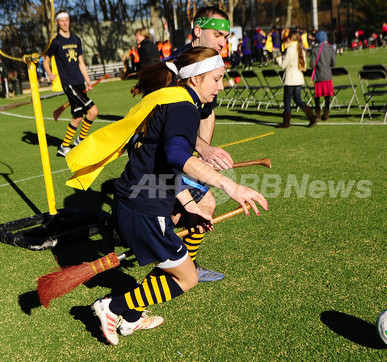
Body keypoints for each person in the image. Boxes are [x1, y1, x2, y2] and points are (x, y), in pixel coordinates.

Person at [87, 47, 268, 346]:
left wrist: (190, 206)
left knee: (176, 263)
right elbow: (178, 156)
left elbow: (165, 164)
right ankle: (112, 306)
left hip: (132, 202)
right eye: (217, 79)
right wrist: (232, 187)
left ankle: (130, 319)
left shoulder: (167, 99)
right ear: (195, 79)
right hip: (144, 209)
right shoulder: (184, 108)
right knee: (188, 278)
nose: (221, 86)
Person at [163, 6, 233, 282]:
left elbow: (206, 113)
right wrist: (202, 150)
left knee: (198, 207)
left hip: (183, 155)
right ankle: (181, 268)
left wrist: (203, 154)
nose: (222, 42)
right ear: (198, 31)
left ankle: (184, 265)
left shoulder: (211, 63)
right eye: (218, 35)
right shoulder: (175, 68)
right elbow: (170, 126)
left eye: (226, 37)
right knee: (200, 205)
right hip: (163, 158)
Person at [43, 11, 98, 157]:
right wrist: (50, 73)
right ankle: (80, 141)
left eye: (67, 20)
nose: (65, 23)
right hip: (69, 84)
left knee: (78, 117)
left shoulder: (76, 39)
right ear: (57, 23)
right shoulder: (56, 42)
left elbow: (81, 62)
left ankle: (64, 146)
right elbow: (45, 60)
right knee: (93, 111)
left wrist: (87, 80)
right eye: (62, 21)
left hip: (79, 82)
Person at [276, 31, 318, 128]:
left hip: (290, 78)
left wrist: (278, 57)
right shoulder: (300, 49)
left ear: (291, 39)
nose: (286, 39)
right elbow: (304, 66)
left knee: (287, 100)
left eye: (288, 38)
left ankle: (286, 123)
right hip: (298, 78)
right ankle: (312, 117)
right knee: (297, 99)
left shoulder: (290, 50)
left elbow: (283, 65)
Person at [309, 31, 336, 122]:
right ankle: (326, 114)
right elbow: (334, 63)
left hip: (318, 75)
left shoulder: (314, 50)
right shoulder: (330, 49)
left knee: (317, 96)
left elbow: (312, 64)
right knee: (327, 96)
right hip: (327, 75)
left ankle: (318, 115)